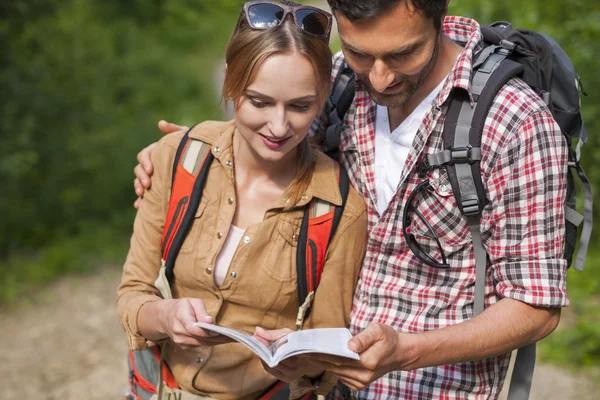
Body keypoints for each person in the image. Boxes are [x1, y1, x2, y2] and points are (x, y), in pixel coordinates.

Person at [133, 0, 570, 398]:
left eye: (403, 54)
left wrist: (408, 351)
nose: (379, 76)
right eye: (361, 52)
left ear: (441, 12)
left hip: (438, 388)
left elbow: (535, 305)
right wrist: (180, 152)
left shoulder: (516, 123)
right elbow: (268, 133)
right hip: (326, 389)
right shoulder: (340, 79)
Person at [117, 1, 368, 399]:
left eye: (300, 106)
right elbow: (132, 294)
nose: (279, 126)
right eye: (260, 102)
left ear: (322, 97)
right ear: (231, 85)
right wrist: (166, 316)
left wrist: (299, 357)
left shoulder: (340, 209)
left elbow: (327, 349)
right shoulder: (176, 160)